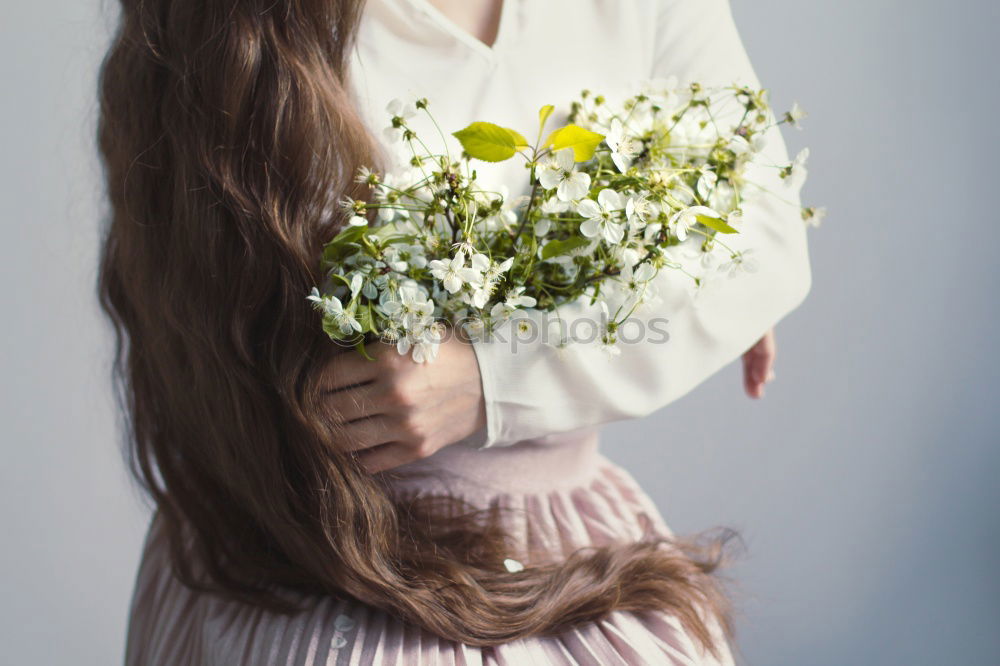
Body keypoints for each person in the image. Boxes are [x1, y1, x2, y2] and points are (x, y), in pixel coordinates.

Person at [98, 0, 811, 663]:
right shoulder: (238, 22)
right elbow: (220, 300)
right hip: (316, 547)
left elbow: (767, 245)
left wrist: (494, 376)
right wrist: (659, 292)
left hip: (573, 551)